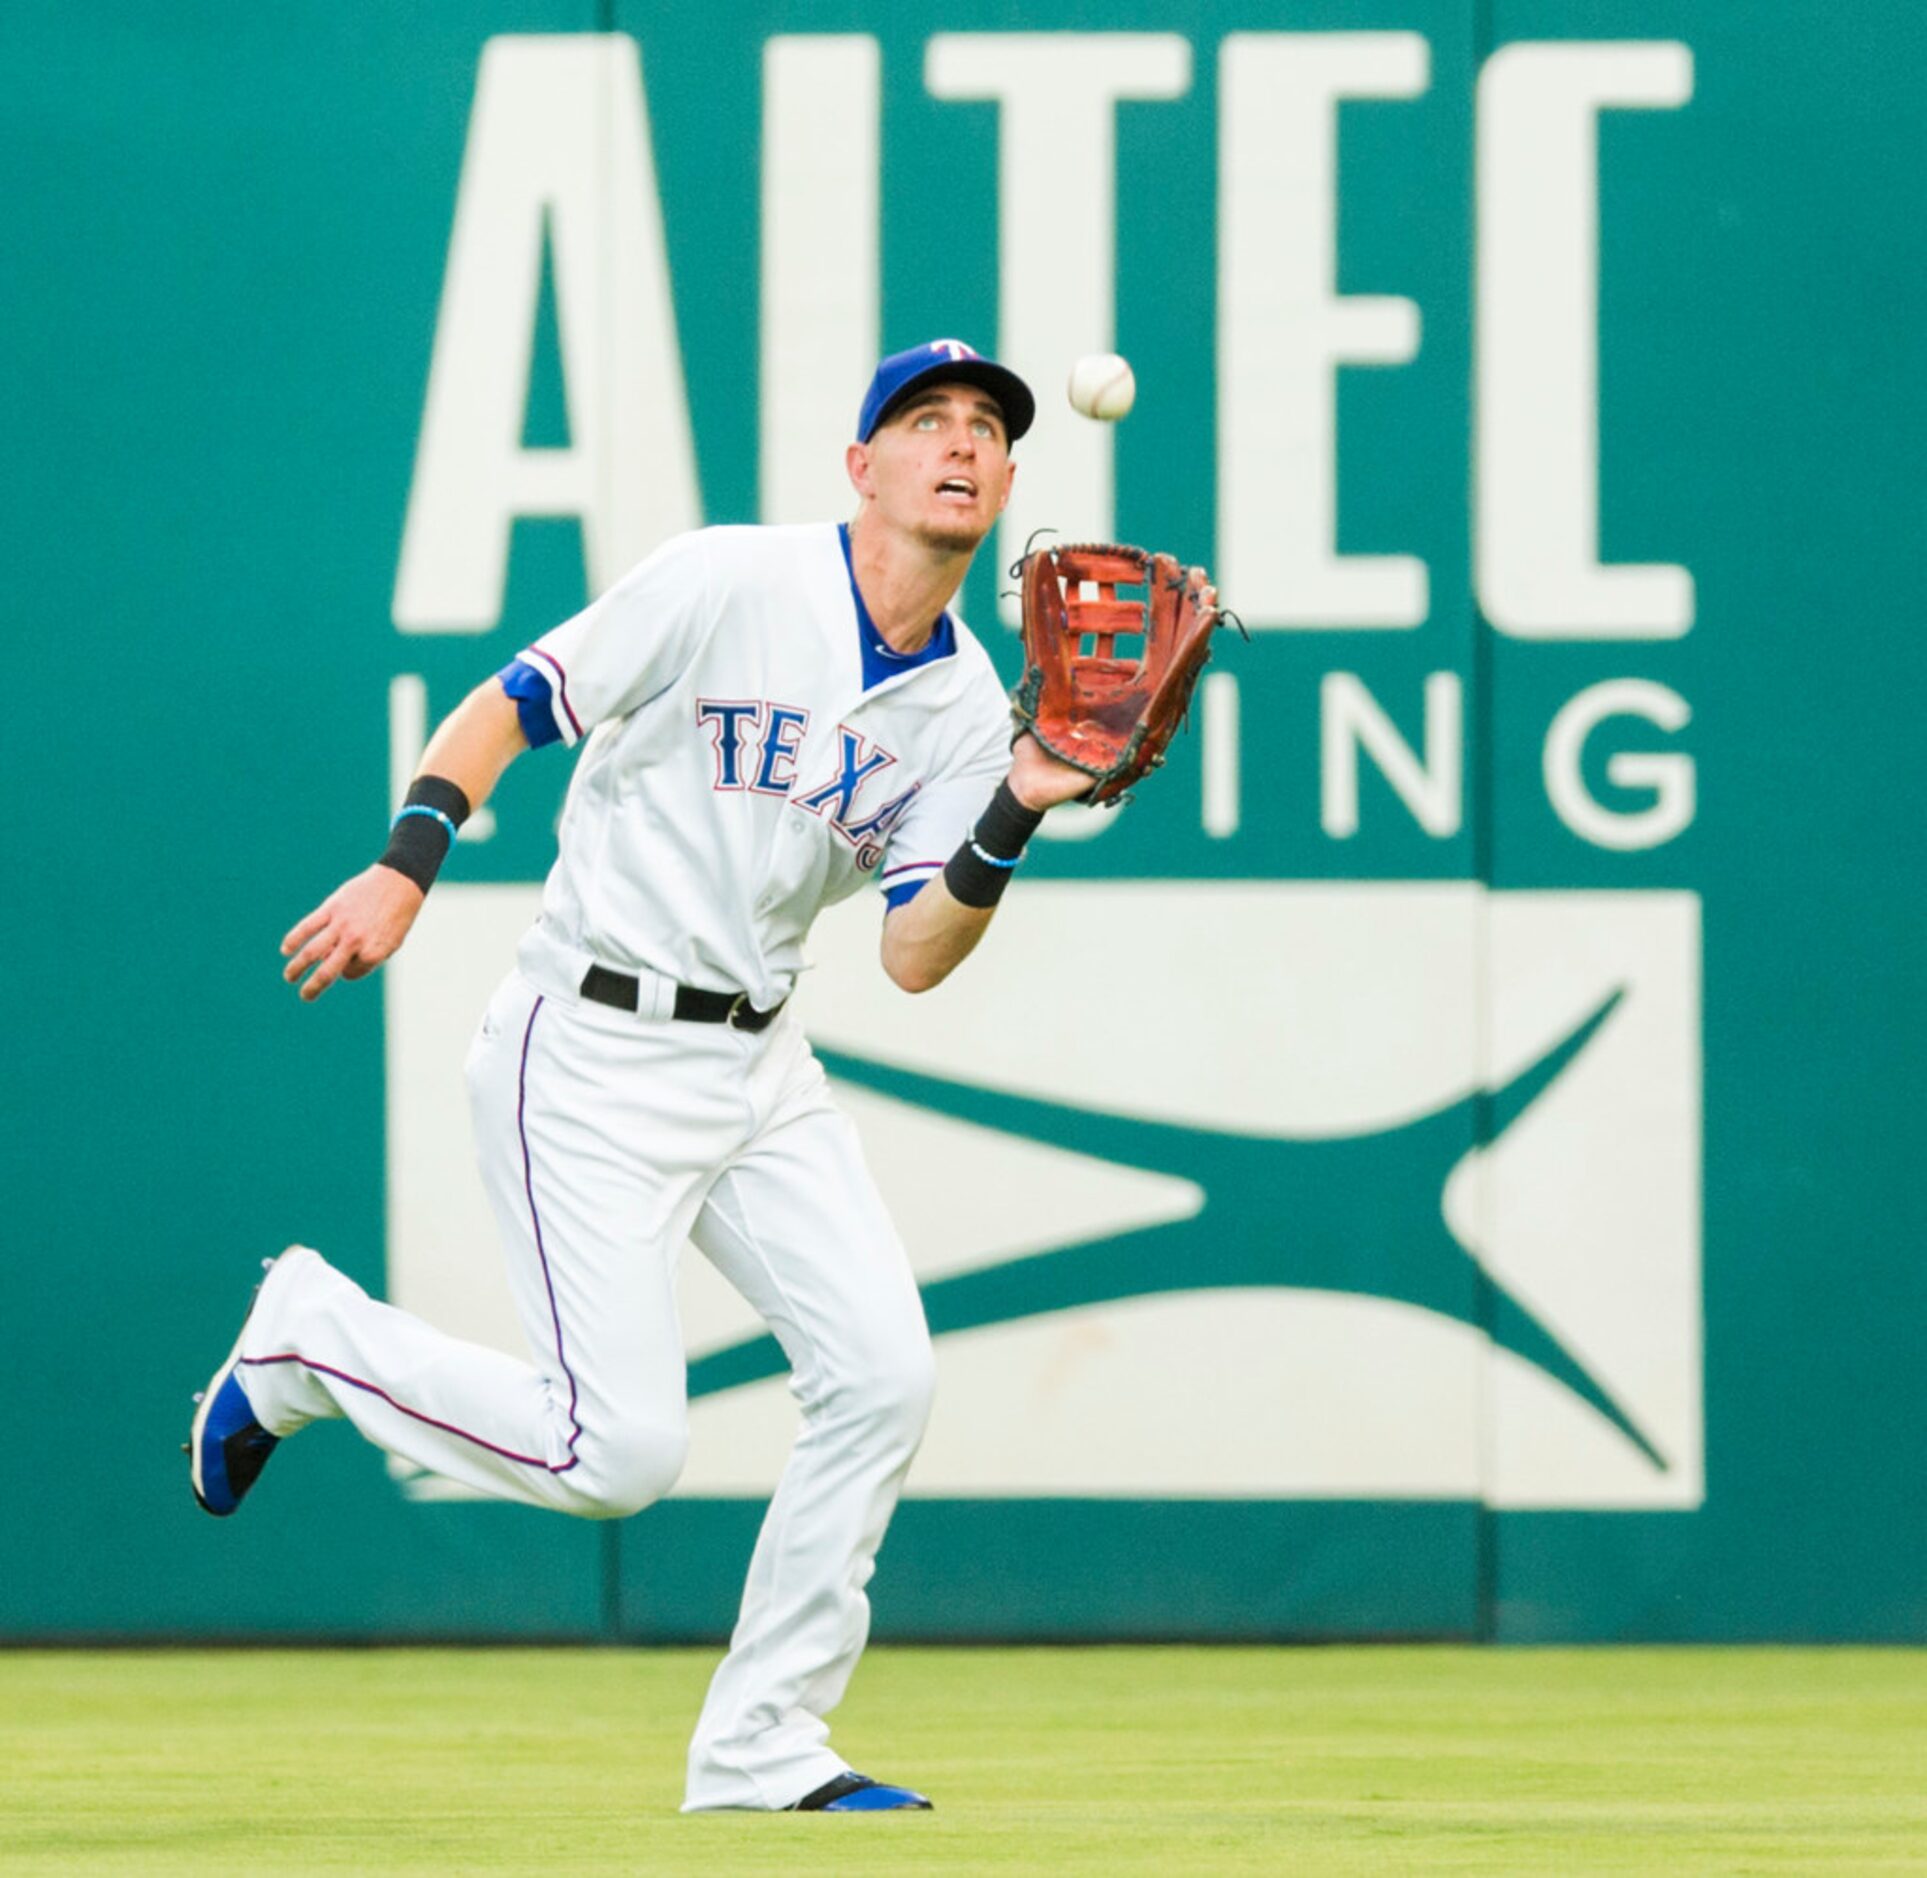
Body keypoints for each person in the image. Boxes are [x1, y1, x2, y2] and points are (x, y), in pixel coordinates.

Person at [187, 340, 1093, 1814]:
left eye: (989, 428)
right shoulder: (731, 580)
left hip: (759, 1063)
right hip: (589, 1042)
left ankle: (762, 1746)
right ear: (859, 467)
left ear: (1005, 482)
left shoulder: (967, 706)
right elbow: (510, 704)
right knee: (616, 1451)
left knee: (884, 1374)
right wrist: (405, 868)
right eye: (926, 420)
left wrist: (1017, 810)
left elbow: (917, 952)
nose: (962, 443)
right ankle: (309, 1340)